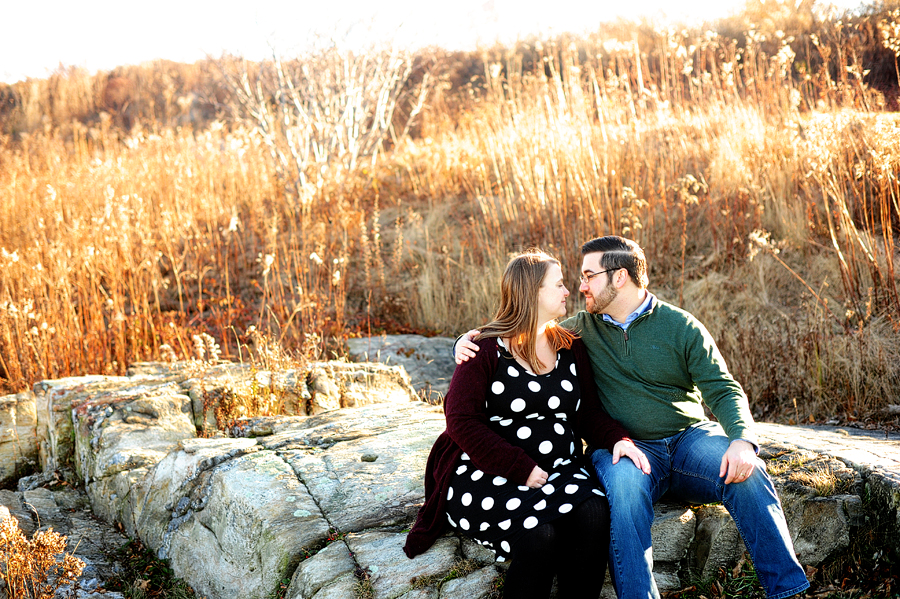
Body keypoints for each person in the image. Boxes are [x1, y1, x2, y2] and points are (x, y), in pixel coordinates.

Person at [454, 236, 810, 599]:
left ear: (619, 277)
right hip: (630, 450)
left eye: (589, 275)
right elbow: (522, 328)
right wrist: (463, 342)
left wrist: (742, 440)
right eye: (574, 279)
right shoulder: (581, 329)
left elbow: (723, 389)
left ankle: (787, 590)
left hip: (688, 441)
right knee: (621, 493)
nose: (579, 287)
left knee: (747, 475)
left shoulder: (680, 326)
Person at [404, 250, 650, 599]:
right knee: (540, 536)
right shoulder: (485, 349)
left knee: (594, 515)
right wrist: (518, 467)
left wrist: (616, 440)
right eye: (560, 284)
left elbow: (586, 414)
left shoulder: (569, 346)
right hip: (489, 475)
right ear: (533, 291)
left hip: (559, 470)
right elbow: (460, 421)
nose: (569, 291)